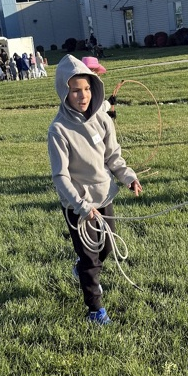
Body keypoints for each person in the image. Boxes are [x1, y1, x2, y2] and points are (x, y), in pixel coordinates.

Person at [47, 55, 142, 326]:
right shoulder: (59, 130)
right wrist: (81, 206)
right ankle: (95, 310)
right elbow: (60, 175)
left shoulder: (102, 119)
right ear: (65, 91)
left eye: (87, 89)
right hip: (78, 207)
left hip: (104, 197)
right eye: (76, 90)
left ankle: (81, 269)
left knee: (106, 249)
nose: (83, 95)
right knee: (91, 260)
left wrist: (128, 177)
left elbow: (113, 156)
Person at [82, 56, 117, 120]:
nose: (96, 74)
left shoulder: (88, 85)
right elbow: (93, 110)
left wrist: (108, 104)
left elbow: (97, 109)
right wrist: (108, 104)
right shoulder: (88, 87)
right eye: (92, 70)